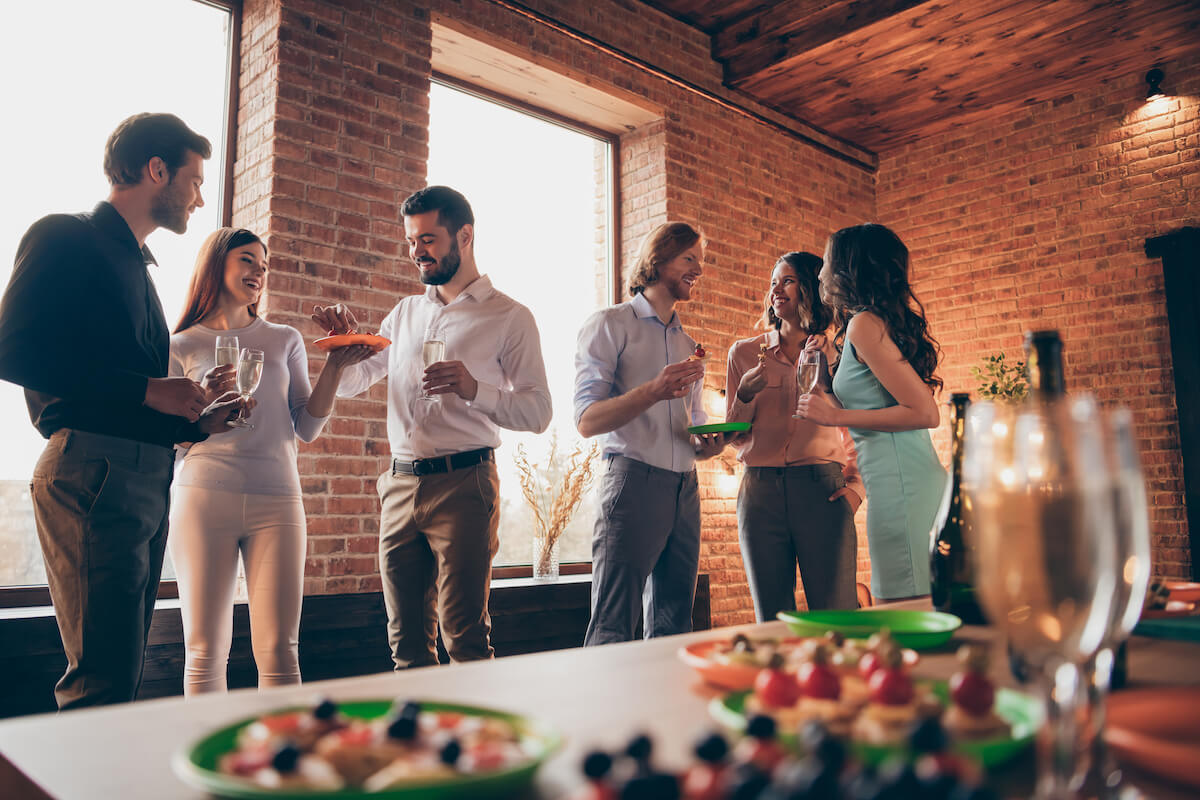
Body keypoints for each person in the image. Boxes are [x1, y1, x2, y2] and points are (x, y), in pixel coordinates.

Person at [0, 113, 245, 709]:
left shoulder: (139, 266)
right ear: (155, 169)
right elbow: (12, 349)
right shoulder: (65, 235)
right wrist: (148, 390)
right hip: (94, 472)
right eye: (194, 179)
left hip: (139, 475)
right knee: (101, 680)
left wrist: (194, 417)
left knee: (120, 671)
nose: (200, 196)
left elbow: (125, 391)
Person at [315, 185, 551, 668]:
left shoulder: (510, 316)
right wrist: (341, 354)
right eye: (410, 241)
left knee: (464, 639)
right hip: (399, 486)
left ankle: (470, 742)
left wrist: (473, 389)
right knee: (404, 646)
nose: (415, 252)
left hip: (465, 484)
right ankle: (417, 741)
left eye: (427, 239)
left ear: (464, 236)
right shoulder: (405, 313)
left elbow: (539, 412)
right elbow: (357, 380)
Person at [167, 228, 373, 694]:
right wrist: (204, 408)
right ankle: (210, 758)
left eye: (264, 264)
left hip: (278, 503)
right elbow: (172, 440)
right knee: (203, 652)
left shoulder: (284, 339)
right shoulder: (180, 345)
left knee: (281, 651)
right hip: (203, 499)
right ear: (216, 264)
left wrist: (337, 366)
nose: (258, 271)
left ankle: (284, 764)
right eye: (247, 260)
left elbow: (307, 426)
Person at [574, 221, 726, 646]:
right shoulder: (609, 325)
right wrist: (653, 390)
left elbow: (691, 422)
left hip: (686, 488)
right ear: (659, 259)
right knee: (613, 624)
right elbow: (586, 419)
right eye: (689, 259)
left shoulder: (688, 344)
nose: (699, 268)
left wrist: (708, 445)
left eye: (702, 260)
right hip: (633, 482)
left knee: (677, 627)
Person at [795, 223, 946, 601]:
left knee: (906, 612)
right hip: (896, 485)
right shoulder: (862, 325)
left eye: (827, 262)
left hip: (904, 490)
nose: (819, 273)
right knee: (905, 611)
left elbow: (925, 413)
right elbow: (876, 400)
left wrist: (835, 417)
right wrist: (831, 370)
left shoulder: (864, 325)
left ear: (849, 270)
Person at [725, 252, 865, 618]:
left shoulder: (840, 353)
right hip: (759, 494)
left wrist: (856, 489)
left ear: (810, 287)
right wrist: (743, 394)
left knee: (837, 614)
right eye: (773, 282)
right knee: (771, 618)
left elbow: (859, 423)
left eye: (787, 280)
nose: (776, 289)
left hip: (822, 490)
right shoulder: (743, 354)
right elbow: (735, 437)